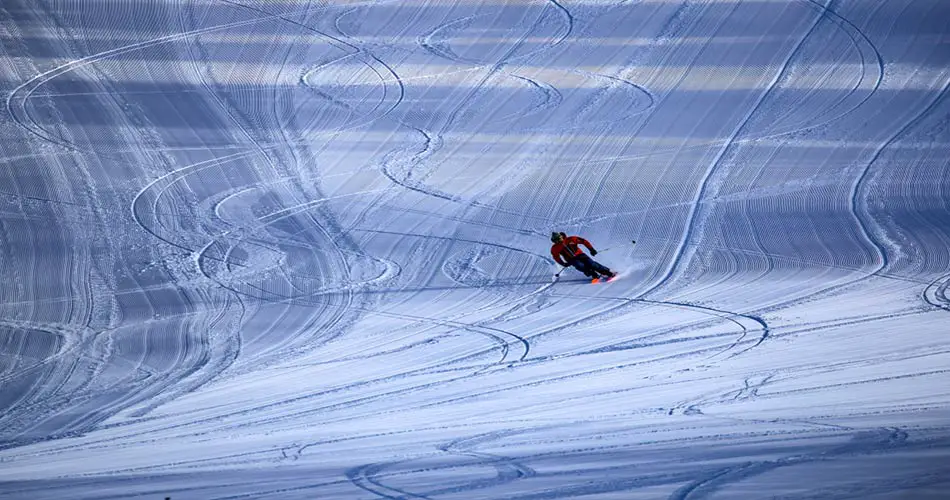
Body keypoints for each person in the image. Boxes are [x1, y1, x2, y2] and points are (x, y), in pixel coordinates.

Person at [550, 232, 616, 280]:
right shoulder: (555, 248)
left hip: (580, 254)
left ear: (561, 236)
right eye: (556, 240)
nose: (559, 241)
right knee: (579, 266)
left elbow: (584, 241)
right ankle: (593, 274)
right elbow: (556, 257)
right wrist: (563, 263)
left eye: (559, 238)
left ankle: (607, 272)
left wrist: (591, 249)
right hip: (571, 259)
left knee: (591, 264)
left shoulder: (571, 239)